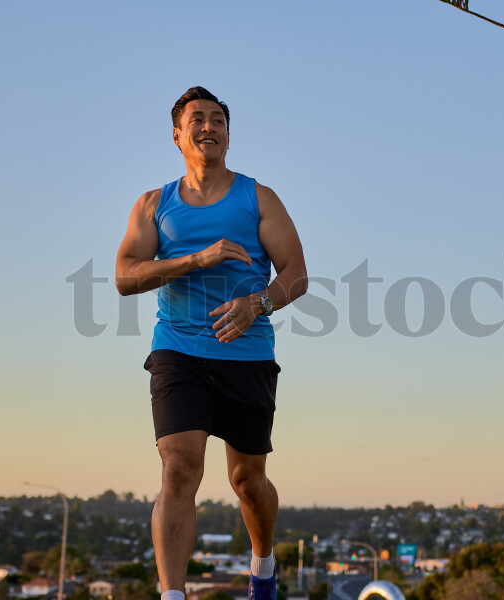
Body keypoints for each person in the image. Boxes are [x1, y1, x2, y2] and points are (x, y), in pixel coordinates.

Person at [115, 86, 307, 600]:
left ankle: (262, 566)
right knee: (179, 467)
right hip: (177, 349)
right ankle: (173, 595)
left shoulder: (258, 197)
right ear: (177, 136)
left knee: (247, 481)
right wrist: (196, 259)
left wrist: (257, 304)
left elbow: (296, 274)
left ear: (227, 133)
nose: (208, 126)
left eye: (218, 119)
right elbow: (125, 277)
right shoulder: (154, 205)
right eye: (197, 119)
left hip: (246, 353)